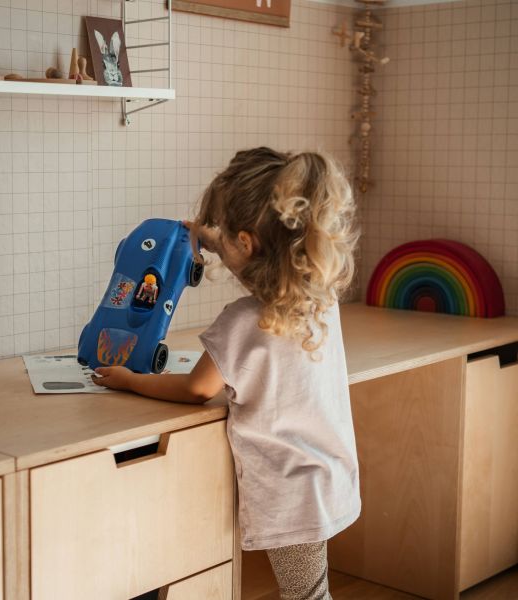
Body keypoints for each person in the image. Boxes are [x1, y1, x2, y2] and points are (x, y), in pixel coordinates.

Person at [93, 147, 361, 600]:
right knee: (311, 592)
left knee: (307, 598)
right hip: (325, 474)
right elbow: (251, 254)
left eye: (223, 233)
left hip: (290, 492)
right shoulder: (321, 301)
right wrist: (212, 237)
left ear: (247, 241)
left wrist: (128, 379)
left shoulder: (241, 322)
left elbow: (197, 388)